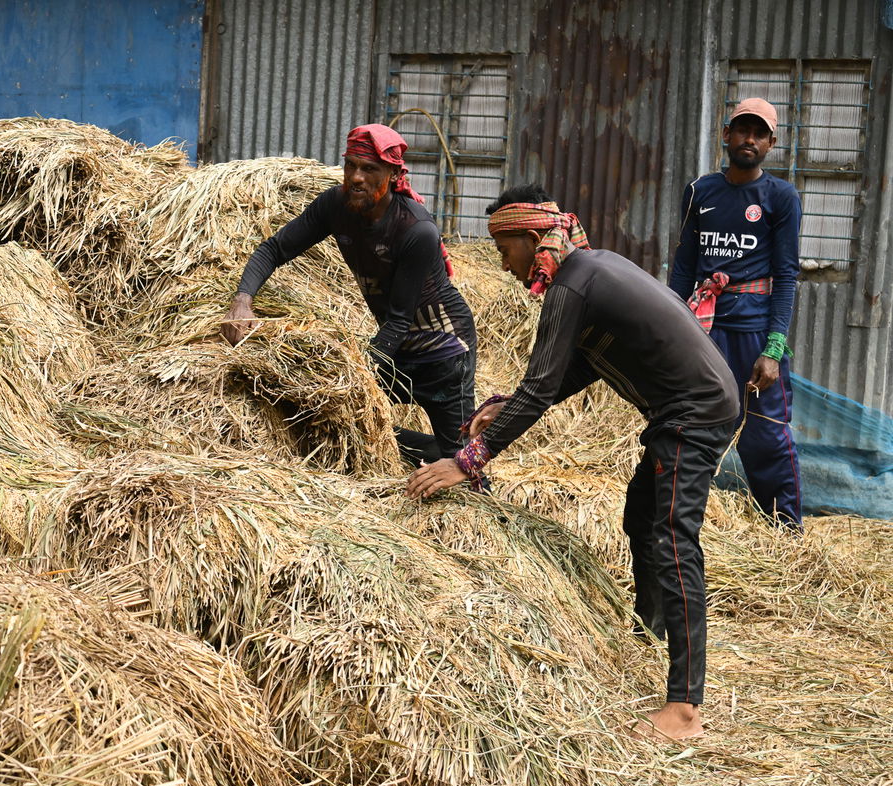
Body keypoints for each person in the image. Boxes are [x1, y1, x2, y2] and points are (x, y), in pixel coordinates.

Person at [407, 184, 739, 741]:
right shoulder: (587, 270)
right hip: (688, 409)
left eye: (503, 249)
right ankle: (648, 633)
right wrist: (504, 405)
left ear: (532, 238)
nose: (503, 264)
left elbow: (541, 389)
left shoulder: (572, 285)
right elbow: (577, 368)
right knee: (641, 519)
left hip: (694, 413)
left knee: (673, 541)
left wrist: (468, 461)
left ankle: (684, 710)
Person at [220, 123, 478, 465]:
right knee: (334, 415)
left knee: (462, 464)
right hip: (396, 344)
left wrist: (356, 373)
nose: (357, 178)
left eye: (369, 169)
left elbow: (400, 320)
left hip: (444, 352)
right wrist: (242, 300)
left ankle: (444, 455)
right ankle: (424, 450)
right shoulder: (336, 205)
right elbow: (274, 249)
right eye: (351, 166)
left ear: (392, 174)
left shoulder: (415, 230)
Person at [669, 97, 803, 529]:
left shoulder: (781, 197)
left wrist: (774, 348)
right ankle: (688, 525)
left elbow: (785, 276)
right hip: (704, 332)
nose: (750, 139)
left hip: (754, 335)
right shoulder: (699, 191)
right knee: (694, 432)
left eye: (760, 133)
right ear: (726, 134)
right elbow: (685, 266)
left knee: (767, 440)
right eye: (742, 130)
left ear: (771, 143)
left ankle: (784, 534)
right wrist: (671, 328)